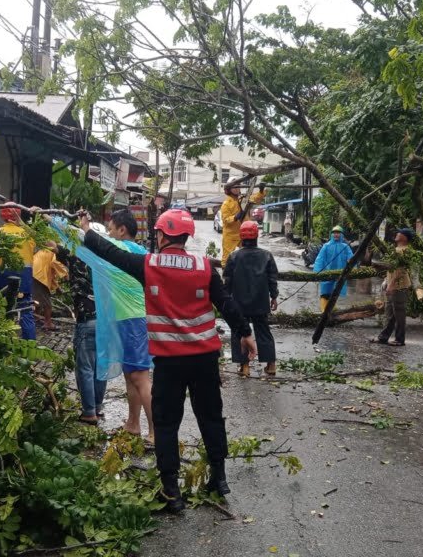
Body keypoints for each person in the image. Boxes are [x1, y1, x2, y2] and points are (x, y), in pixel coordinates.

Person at [79, 208, 256, 513]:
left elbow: (108, 252)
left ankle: (171, 490)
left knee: (166, 422)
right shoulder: (203, 265)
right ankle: (219, 477)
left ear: (160, 235)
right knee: (211, 416)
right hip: (203, 358)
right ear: (187, 236)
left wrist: (84, 230)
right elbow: (225, 303)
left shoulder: (149, 265)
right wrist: (245, 332)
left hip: (169, 362)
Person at [105, 209, 155, 440]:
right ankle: (133, 423)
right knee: (130, 375)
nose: (108, 233)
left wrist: (52, 220)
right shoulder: (141, 251)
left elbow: (85, 238)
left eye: (111, 229)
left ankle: (157, 431)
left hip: (132, 320)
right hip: (133, 318)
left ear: (121, 230)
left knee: (140, 377)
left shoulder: (123, 250)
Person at [54, 228, 104, 426]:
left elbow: (51, 244)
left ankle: (89, 412)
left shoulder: (76, 257)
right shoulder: (106, 260)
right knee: (100, 366)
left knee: (85, 367)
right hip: (106, 320)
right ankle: (98, 407)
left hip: (87, 319)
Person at [224, 221, 279, 378]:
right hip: (260, 303)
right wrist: (274, 296)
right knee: (263, 331)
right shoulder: (267, 255)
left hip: (238, 304)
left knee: (240, 332)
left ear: (241, 237)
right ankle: (271, 365)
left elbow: (227, 281)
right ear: (256, 236)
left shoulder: (234, 256)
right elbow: (272, 279)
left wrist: (226, 302)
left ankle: (245, 366)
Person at [0, 206, 36, 340]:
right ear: (18, 216)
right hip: (23, 282)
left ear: (3, 216)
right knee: (25, 314)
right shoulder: (27, 235)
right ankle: (30, 349)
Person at [372, 228, 414, 347]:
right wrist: (386, 280)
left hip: (399, 287)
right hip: (393, 285)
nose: (397, 234)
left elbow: (401, 270)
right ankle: (383, 337)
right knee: (390, 313)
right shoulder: (397, 250)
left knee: (399, 313)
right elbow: (392, 269)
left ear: (405, 237)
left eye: (399, 233)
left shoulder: (404, 251)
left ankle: (400, 339)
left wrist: (391, 285)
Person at [219, 180, 266, 265]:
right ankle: (226, 277)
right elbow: (225, 220)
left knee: (249, 255)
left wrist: (261, 190)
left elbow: (256, 198)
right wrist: (235, 217)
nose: (237, 188)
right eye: (235, 186)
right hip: (230, 235)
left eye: (238, 185)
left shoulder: (244, 199)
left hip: (244, 233)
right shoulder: (226, 204)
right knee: (227, 259)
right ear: (229, 189)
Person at [313, 226, 354, 312]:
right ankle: (324, 311)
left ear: (341, 235)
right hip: (326, 273)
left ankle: (331, 310)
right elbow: (319, 259)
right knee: (325, 293)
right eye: (334, 233)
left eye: (338, 233)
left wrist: (351, 263)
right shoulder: (326, 246)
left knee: (334, 293)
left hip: (339, 274)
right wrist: (317, 272)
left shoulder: (345, 247)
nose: (336, 235)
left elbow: (351, 258)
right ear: (331, 234)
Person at [31, 242, 67, 332]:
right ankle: (48, 323)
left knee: (38, 300)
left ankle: (34, 318)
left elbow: (51, 275)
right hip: (39, 278)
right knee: (47, 303)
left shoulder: (43, 252)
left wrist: (57, 288)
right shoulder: (52, 254)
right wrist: (66, 274)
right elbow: (55, 263)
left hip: (35, 276)